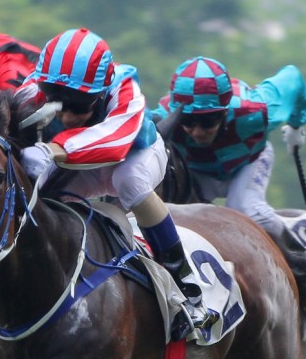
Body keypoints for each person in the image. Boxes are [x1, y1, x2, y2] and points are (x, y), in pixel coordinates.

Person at [15, 28, 215, 338]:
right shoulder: (33, 89)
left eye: (79, 103)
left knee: (129, 181)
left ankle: (187, 289)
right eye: (57, 100)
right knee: (43, 196)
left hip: (134, 155)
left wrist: (51, 149)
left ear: (100, 92)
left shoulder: (125, 89)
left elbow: (115, 142)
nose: (67, 115)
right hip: (78, 163)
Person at [150, 56, 306, 253]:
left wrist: (297, 124)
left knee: (246, 210)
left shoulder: (258, 110)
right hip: (197, 172)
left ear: (225, 112)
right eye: (188, 121)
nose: (197, 132)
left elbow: (292, 77)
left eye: (208, 121)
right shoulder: (163, 117)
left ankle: (301, 253)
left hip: (249, 161)